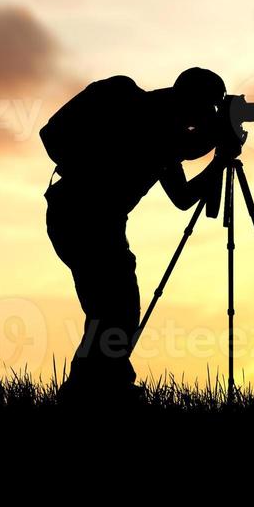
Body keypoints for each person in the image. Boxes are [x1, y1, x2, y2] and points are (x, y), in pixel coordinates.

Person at [41, 68, 237, 404]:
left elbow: (183, 197)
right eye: (207, 108)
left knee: (110, 310)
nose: (207, 117)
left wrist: (220, 159)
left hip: (87, 220)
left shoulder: (163, 130)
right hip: (83, 219)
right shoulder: (141, 114)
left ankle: (92, 390)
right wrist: (220, 139)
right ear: (190, 101)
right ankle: (96, 391)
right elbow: (185, 146)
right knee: (115, 309)